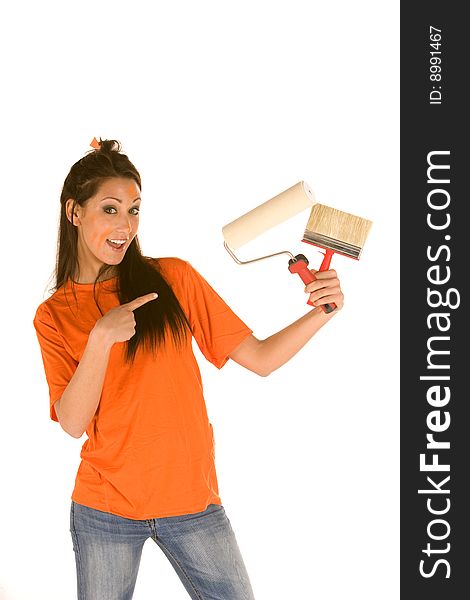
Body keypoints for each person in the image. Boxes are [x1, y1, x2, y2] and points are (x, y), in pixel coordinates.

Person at [33, 138, 344, 600]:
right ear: (74, 212)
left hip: (192, 500)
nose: (126, 225)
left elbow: (259, 359)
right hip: (105, 507)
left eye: (135, 209)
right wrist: (100, 339)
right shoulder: (53, 314)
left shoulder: (173, 279)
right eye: (111, 209)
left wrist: (323, 311)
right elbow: (73, 423)